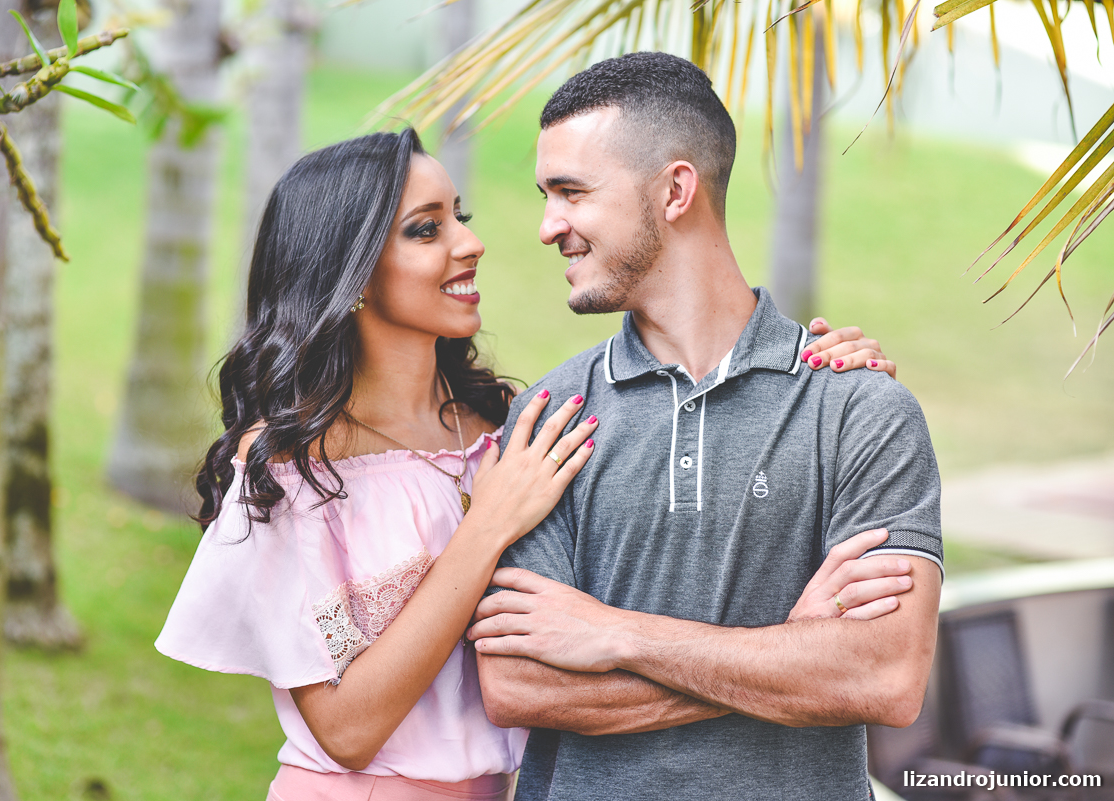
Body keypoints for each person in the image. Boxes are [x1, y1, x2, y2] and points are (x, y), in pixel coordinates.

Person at [154, 127, 908, 800]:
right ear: (350, 277)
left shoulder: (513, 428)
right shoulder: (293, 466)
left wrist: (818, 369)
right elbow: (348, 728)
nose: (469, 242)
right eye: (426, 229)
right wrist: (786, 661)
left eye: (460, 216)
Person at [465, 52, 943, 801]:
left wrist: (614, 632)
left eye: (571, 192)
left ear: (676, 189)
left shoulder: (860, 412)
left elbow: (884, 676)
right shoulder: (549, 422)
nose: (546, 225)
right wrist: (788, 654)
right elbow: (520, 685)